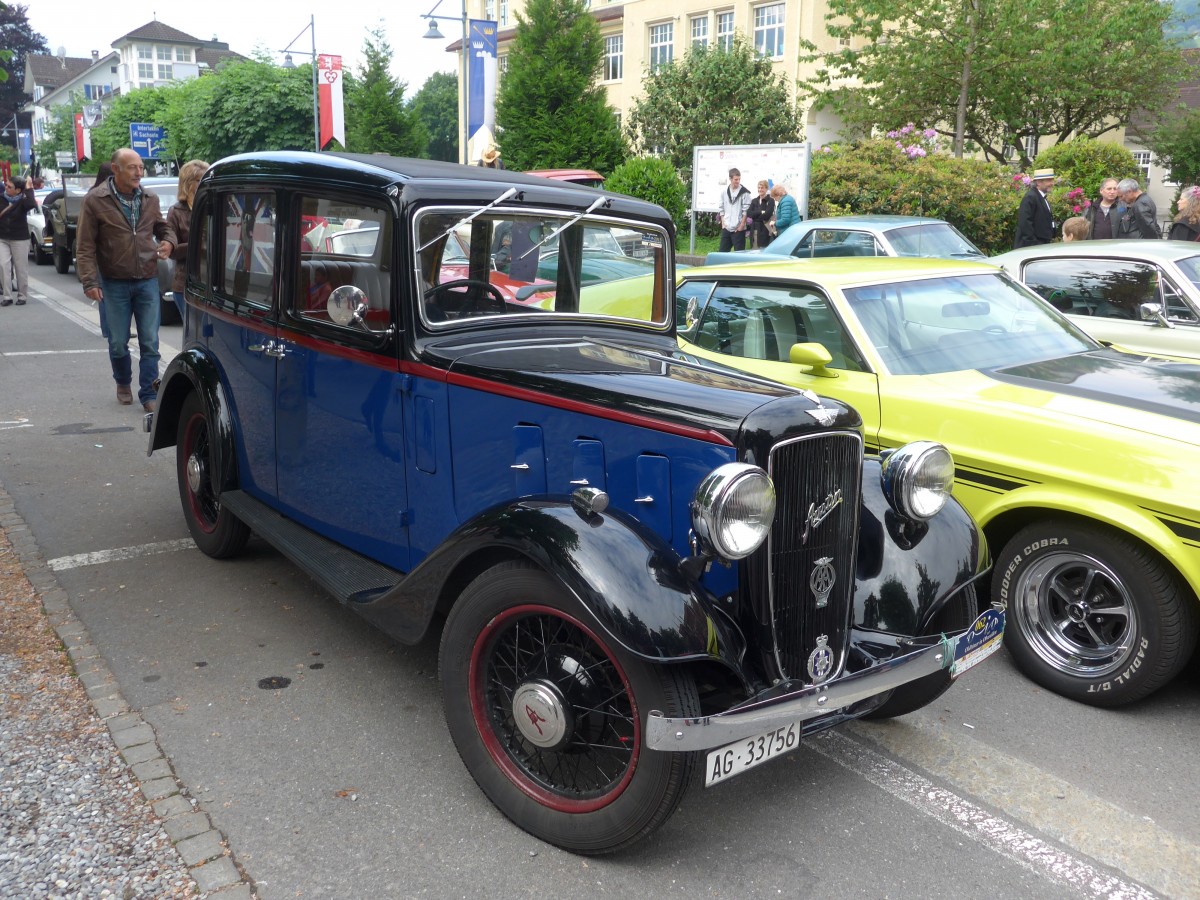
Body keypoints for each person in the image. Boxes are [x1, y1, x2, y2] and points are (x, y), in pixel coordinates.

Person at [75, 148, 176, 413]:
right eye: (132, 167)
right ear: (115, 168)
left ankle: (148, 392)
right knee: (118, 342)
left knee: (150, 341)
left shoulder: (150, 198)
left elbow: (162, 228)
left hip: (147, 279)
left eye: (141, 167)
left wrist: (168, 241)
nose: (139, 173)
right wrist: (90, 281)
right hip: (113, 281)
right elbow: (84, 245)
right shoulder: (95, 200)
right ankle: (122, 381)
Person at [166, 159, 210, 319]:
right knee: (195, 333)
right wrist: (198, 243)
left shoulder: (213, 206)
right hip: (187, 283)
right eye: (200, 180)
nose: (204, 184)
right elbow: (172, 251)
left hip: (214, 284)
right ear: (187, 183)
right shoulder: (176, 211)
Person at [0, 175, 37, 306]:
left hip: (20, 238)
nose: (6, 188)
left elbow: (32, 204)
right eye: (6, 184)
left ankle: (22, 296)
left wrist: (29, 188)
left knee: (21, 268)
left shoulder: (23, 200)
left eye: (9, 187)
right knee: (3, 266)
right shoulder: (1, 198)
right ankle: (7, 296)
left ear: (18, 190)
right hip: (2, 237)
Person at [1014, 168, 1056, 248]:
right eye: (1049, 180)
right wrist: (1034, 243)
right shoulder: (1030, 197)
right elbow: (1025, 223)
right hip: (1031, 247)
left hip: (1040, 245)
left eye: (1052, 180)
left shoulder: (1040, 197)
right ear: (1039, 182)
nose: (1052, 183)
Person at [717, 168, 751, 252]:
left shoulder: (745, 192)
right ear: (730, 179)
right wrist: (723, 222)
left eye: (739, 179)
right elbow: (721, 207)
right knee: (722, 252)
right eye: (736, 179)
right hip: (727, 227)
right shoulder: (724, 191)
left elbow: (746, 210)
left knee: (739, 254)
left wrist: (742, 225)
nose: (738, 181)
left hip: (738, 228)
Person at [745, 179, 775, 249]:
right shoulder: (754, 201)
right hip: (755, 229)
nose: (760, 189)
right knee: (754, 251)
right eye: (759, 188)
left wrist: (755, 216)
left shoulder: (770, 201)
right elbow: (749, 213)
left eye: (762, 188)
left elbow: (767, 216)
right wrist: (760, 212)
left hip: (765, 230)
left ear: (766, 189)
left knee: (764, 250)